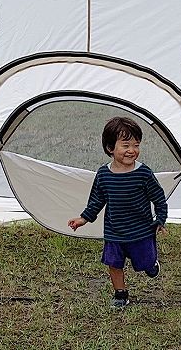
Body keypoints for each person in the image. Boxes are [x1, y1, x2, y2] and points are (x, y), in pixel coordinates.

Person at [68, 116, 168, 309]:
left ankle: (151, 264)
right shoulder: (103, 174)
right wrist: (83, 218)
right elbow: (97, 200)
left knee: (145, 262)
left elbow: (158, 198)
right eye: (126, 145)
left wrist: (160, 219)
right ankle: (120, 293)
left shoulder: (144, 173)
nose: (132, 150)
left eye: (136, 145)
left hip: (141, 231)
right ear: (110, 148)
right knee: (114, 263)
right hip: (114, 232)